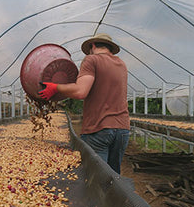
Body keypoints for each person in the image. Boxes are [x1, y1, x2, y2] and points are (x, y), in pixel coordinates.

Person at [38, 33, 130, 174]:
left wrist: (55, 87)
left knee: (96, 177)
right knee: (114, 181)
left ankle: (98, 196)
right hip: (122, 130)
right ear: (110, 48)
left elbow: (81, 91)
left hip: (99, 128)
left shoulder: (91, 60)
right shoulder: (121, 64)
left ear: (92, 46)